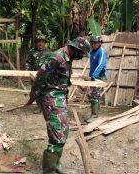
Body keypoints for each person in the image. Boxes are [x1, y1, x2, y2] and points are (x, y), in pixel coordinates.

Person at [25, 37, 90, 174]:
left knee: (63, 132)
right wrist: (33, 97)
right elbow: (39, 78)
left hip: (60, 98)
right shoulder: (57, 58)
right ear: (76, 50)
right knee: (57, 135)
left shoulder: (68, 57)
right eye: (82, 53)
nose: (82, 56)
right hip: (50, 99)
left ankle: (56, 164)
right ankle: (48, 170)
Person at [25, 33, 51, 114]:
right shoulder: (32, 52)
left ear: (45, 43)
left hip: (45, 76)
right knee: (35, 91)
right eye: (39, 41)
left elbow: (52, 64)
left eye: (42, 42)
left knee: (45, 91)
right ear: (36, 43)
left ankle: (44, 106)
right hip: (34, 75)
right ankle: (39, 106)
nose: (40, 43)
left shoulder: (49, 52)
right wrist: (28, 72)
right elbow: (28, 62)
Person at [86, 35, 107, 123]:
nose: (93, 45)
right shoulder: (92, 52)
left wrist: (94, 76)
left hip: (99, 77)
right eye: (92, 43)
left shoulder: (101, 51)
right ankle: (95, 114)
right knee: (94, 96)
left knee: (94, 96)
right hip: (93, 76)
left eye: (95, 43)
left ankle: (94, 116)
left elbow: (101, 65)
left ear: (99, 43)